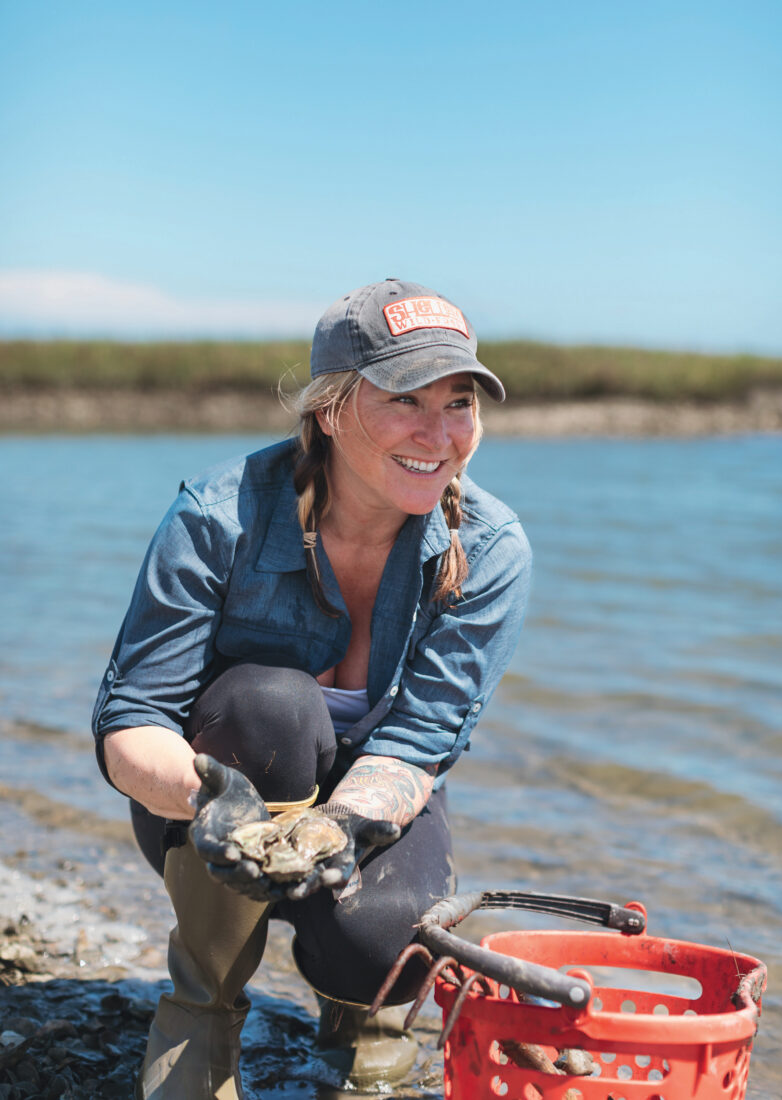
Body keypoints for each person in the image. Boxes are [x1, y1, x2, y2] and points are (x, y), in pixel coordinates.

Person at [92, 277, 532, 1098]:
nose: (439, 434)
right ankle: (202, 1017)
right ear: (330, 408)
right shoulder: (217, 516)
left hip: (369, 805)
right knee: (272, 706)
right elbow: (130, 725)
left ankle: (362, 1036)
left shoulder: (494, 551)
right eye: (406, 397)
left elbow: (417, 744)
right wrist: (215, 804)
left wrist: (335, 830)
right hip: (206, 807)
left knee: (392, 938)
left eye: (460, 401)